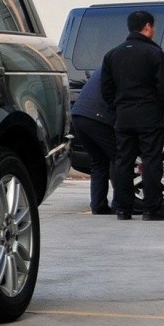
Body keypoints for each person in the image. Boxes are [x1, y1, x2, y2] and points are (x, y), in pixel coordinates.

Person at [101, 9, 164, 221]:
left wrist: (117, 107)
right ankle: (152, 209)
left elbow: (106, 89)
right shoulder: (154, 53)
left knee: (123, 162)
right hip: (149, 115)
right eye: (153, 27)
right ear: (147, 27)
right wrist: (160, 109)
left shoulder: (112, 54)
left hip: (124, 116)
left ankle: (123, 209)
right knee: (151, 160)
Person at [71, 66, 116, 215]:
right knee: (120, 159)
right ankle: (121, 204)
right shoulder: (124, 69)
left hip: (78, 115)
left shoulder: (108, 66)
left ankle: (98, 205)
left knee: (98, 161)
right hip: (97, 117)